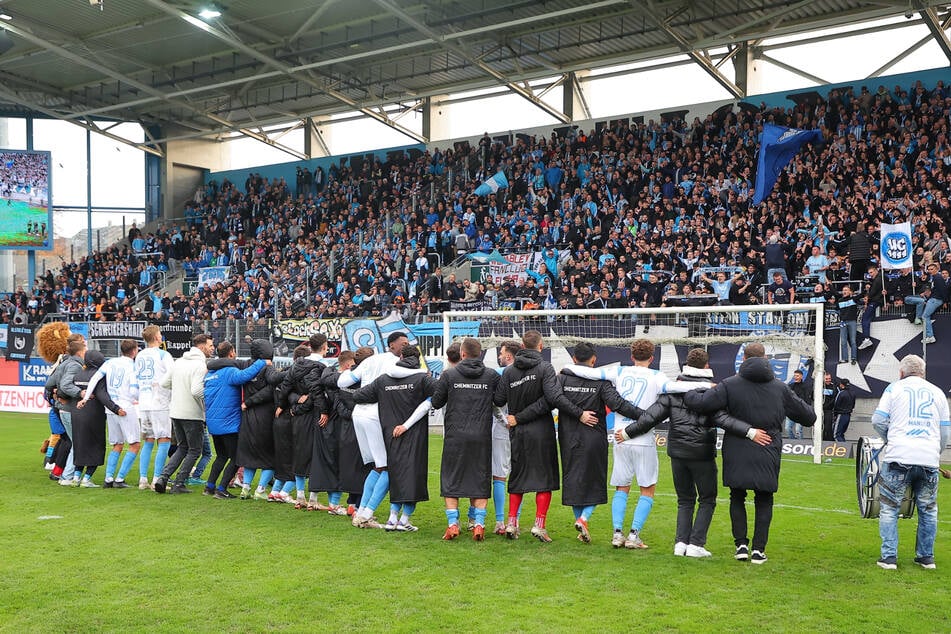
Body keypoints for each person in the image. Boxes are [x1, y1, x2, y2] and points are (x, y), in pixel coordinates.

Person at [619, 348, 770, 557]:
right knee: (707, 499)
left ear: (686, 364)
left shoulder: (674, 389)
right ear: (707, 366)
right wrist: (750, 431)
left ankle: (680, 544)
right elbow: (723, 419)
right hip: (702, 453)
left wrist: (627, 433)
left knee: (685, 499)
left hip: (678, 452)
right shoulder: (712, 391)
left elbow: (650, 417)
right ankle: (696, 544)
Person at [684, 342, 816, 564]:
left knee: (737, 495)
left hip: (737, 446)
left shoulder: (729, 385)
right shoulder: (781, 388)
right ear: (766, 360)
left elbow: (701, 403)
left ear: (743, 360)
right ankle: (758, 550)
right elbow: (808, 417)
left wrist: (689, 389)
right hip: (768, 447)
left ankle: (741, 546)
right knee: (764, 498)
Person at [567, 339, 674, 550]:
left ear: (632, 356)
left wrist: (567, 366)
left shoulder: (619, 371)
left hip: (619, 437)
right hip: (643, 438)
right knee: (647, 489)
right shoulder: (658, 376)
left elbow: (590, 373)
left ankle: (617, 534)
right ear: (652, 358)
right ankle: (633, 536)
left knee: (621, 488)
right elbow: (677, 388)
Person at [493, 330, 594, 543]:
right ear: (541, 346)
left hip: (517, 432)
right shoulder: (545, 368)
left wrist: (515, 417)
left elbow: (499, 398)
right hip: (540, 430)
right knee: (545, 479)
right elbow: (551, 400)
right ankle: (539, 525)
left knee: (517, 476)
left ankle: (512, 523)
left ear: (522, 346)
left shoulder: (509, 372)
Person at [555, 342, 643, 544]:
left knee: (572, 480)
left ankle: (580, 522)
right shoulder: (601, 381)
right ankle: (584, 519)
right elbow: (618, 404)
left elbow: (553, 399)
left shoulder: (562, 379)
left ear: (574, 359)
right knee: (595, 480)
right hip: (594, 437)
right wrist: (645, 416)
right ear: (593, 360)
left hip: (569, 437)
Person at [871, 354, 950, 570]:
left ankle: (889, 558)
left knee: (889, 508)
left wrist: (889, 438)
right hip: (928, 460)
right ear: (923, 372)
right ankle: (926, 558)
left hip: (898, 457)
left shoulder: (894, 389)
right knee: (929, 509)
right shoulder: (938, 393)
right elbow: (944, 432)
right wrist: (936, 452)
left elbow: (877, 419)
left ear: (901, 372)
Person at [354, 343, 437, 532]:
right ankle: (403, 520)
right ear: (417, 361)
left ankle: (390, 518)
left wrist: (383, 397)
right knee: (412, 477)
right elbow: (440, 395)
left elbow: (358, 396)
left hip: (389, 433)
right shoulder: (422, 379)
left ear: (400, 358)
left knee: (392, 472)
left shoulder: (383, 380)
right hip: (413, 435)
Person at [430, 337, 500, 541]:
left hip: (455, 435)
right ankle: (478, 524)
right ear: (480, 354)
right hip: (481, 435)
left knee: (451, 477)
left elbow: (436, 401)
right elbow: (501, 399)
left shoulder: (449, 375)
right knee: (480, 476)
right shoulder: (491, 375)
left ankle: (453, 524)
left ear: (462, 354)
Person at [338, 331, 410, 528]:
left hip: (359, 414)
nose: (405, 346)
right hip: (375, 415)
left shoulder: (371, 361)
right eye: (402, 343)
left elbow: (342, 382)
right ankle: (366, 514)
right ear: (391, 345)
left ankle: (361, 511)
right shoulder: (393, 363)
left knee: (377, 466)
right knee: (387, 466)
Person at [202, 341, 266, 498]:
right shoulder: (230, 372)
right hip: (228, 424)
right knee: (237, 458)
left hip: (214, 423)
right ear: (231, 353)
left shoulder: (210, 375)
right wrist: (263, 361)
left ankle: (209, 487)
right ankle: (222, 489)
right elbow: (246, 375)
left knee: (221, 456)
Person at [154, 333, 214, 494]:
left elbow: (164, 383)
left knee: (182, 448)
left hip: (176, 411)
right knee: (195, 450)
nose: (212, 349)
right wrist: (210, 395)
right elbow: (196, 390)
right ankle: (179, 483)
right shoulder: (201, 366)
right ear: (201, 347)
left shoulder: (178, 362)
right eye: (210, 346)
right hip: (192, 413)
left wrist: (180, 390)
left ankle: (163, 477)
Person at [80, 339, 140, 488]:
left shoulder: (110, 362)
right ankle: (120, 479)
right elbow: (133, 391)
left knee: (117, 444)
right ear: (134, 351)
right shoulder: (133, 366)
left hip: (111, 408)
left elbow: (95, 378)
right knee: (134, 444)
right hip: (125, 407)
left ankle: (108, 479)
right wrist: (138, 398)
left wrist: (86, 398)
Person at [320, 349, 373, 514]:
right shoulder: (368, 380)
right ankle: (357, 505)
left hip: (346, 429)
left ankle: (351, 503)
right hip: (362, 426)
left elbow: (337, 400)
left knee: (350, 465)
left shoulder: (343, 379)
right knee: (366, 466)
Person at [278, 334, 328, 506]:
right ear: (324, 347)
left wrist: (283, 404)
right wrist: (324, 410)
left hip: (298, 417)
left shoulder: (297, 365)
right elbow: (317, 391)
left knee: (300, 453)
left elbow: (286, 386)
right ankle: (313, 498)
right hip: (314, 415)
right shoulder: (322, 366)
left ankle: (300, 496)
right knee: (316, 454)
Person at [237, 339, 284, 502]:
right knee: (271, 456)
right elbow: (271, 389)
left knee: (249, 454)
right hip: (264, 415)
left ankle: (245, 488)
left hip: (247, 414)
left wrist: (247, 403)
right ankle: (261, 489)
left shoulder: (244, 365)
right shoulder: (267, 367)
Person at [69, 350, 124, 487]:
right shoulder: (99, 375)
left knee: (80, 445)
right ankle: (87, 478)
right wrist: (116, 408)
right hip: (93, 415)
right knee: (96, 446)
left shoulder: (77, 374)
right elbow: (102, 395)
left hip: (76, 413)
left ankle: (76, 477)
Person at [134, 325, 174, 490]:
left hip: (144, 402)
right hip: (160, 402)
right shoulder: (164, 354)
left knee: (148, 441)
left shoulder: (140, 355)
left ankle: (143, 479)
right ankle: (157, 478)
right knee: (164, 440)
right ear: (157, 337)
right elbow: (173, 375)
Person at [490, 340, 520, 534]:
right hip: (524, 428)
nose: (499, 357)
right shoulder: (530, 373)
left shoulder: (500, 375)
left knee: (499, 475)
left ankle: (501, 521)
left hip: (502, 430)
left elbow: (494, 405)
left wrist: (504, 422)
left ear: (508, 356)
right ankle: (514, 520)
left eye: (501, 353)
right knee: (519, 476)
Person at [858, 263, 884, 350]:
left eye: (871, 272)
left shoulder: (878, 279)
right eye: (869, 273)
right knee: (867, 319)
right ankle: (866, 338)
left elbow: (872, 293)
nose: (870, 274)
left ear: (876, 270)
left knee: (865, 318)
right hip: (875, 301)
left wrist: (867, 298)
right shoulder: (878, 279)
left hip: (875, 301)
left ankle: (866, 338)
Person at [835, 285, 859, 365]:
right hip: (843, 322)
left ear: (850, 292)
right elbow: (836, 308)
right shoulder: (840, 300)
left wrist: (867, 289)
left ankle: (853, 358)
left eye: (846, 290)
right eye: (843, 290)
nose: (844, 291)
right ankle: (844, 358)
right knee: (843, 341)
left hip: (852, 322)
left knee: (853, 341)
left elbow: (861, 296)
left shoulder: (853, 299)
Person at [786, 370, 813, 440]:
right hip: (791, 411)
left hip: (801, 412)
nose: (795, 377)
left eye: (797, 376)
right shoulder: (790, 386)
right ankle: (793, 442)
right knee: (787, 429)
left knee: (798, 430)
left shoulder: (806, 387)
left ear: (801, 376)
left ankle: (800, 443)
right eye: (794, 376)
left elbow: (807, 400)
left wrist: (807, 410)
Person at [832, 377, 855, 442]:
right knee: (841, 434)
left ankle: (842, 451)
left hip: (841, 415)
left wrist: (835, 414)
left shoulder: (841, 393)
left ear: (842, 385)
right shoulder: (853, 393)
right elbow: (853, 405)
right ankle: (845, 449)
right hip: (848, 415)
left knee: (836, 435)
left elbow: (836, 404)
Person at [821, 372, 836, 442]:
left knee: (828, 427)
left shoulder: (833, 386)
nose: (828, 380)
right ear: (823, 379)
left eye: (829, 378)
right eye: (826, 379)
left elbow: (834, 399)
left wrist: (826, 406)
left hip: (829, 410)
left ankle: (829, 442)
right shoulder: (820, 386)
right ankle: (822, 441)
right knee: (821, 427)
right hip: (820, 410)